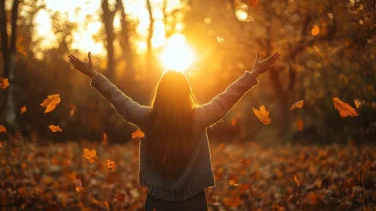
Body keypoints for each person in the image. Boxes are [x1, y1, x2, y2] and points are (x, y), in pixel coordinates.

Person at [68, 52, 280, 210]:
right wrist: (254, 72)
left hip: (157, 203)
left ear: (160, 93)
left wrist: (93, 74)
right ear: (186, 93)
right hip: (194, 202)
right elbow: (226, 98)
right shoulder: (198, 118)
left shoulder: (147, 118)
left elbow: (119, 99)